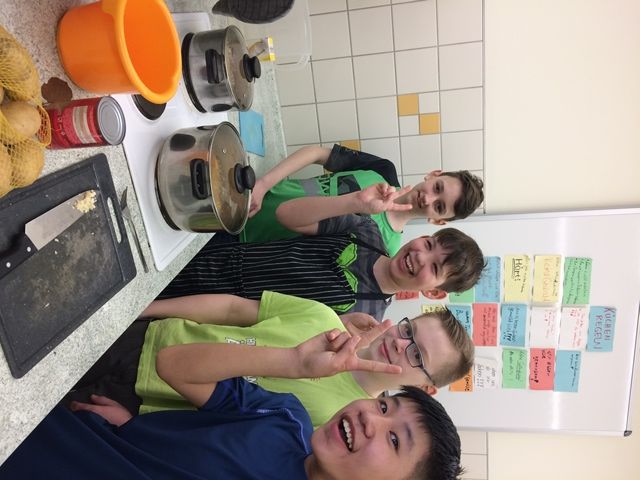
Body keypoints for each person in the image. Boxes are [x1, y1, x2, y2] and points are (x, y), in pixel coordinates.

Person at [1, 327, 465, 480]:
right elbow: (173, 365)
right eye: (384, 408)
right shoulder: (287, 417)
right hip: (49, 437)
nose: (369, 418)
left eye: (395, 440)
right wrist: (292, 361)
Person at [67, 291, 474, 428]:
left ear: (425, 387)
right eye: (408, 330)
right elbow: (232, 309)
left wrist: (136, 430)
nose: (401, 344)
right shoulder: (324, 319)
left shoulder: (347, 422)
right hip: (149, 337)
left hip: (140, 403)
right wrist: (144, 309)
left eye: (417, 355)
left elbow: (230, 440)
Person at [158, 184, 486, 321]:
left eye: (435, 267)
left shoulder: (365, 317)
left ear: (433, 291)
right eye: (428, 245)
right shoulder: (366, 231)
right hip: (215, 257)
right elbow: (287, 215)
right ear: (424, 236)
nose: (420, 257)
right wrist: (353, 202)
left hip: (213, 314)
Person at [240, 144, 484, 255]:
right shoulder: (382, 170)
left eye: (439, 207)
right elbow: (316, 153)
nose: (428, 198)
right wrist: (264, 184)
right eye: (437, 187)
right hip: (250, 198)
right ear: (434, 174)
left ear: (438, 221)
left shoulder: (386, 249)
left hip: (249, 247)